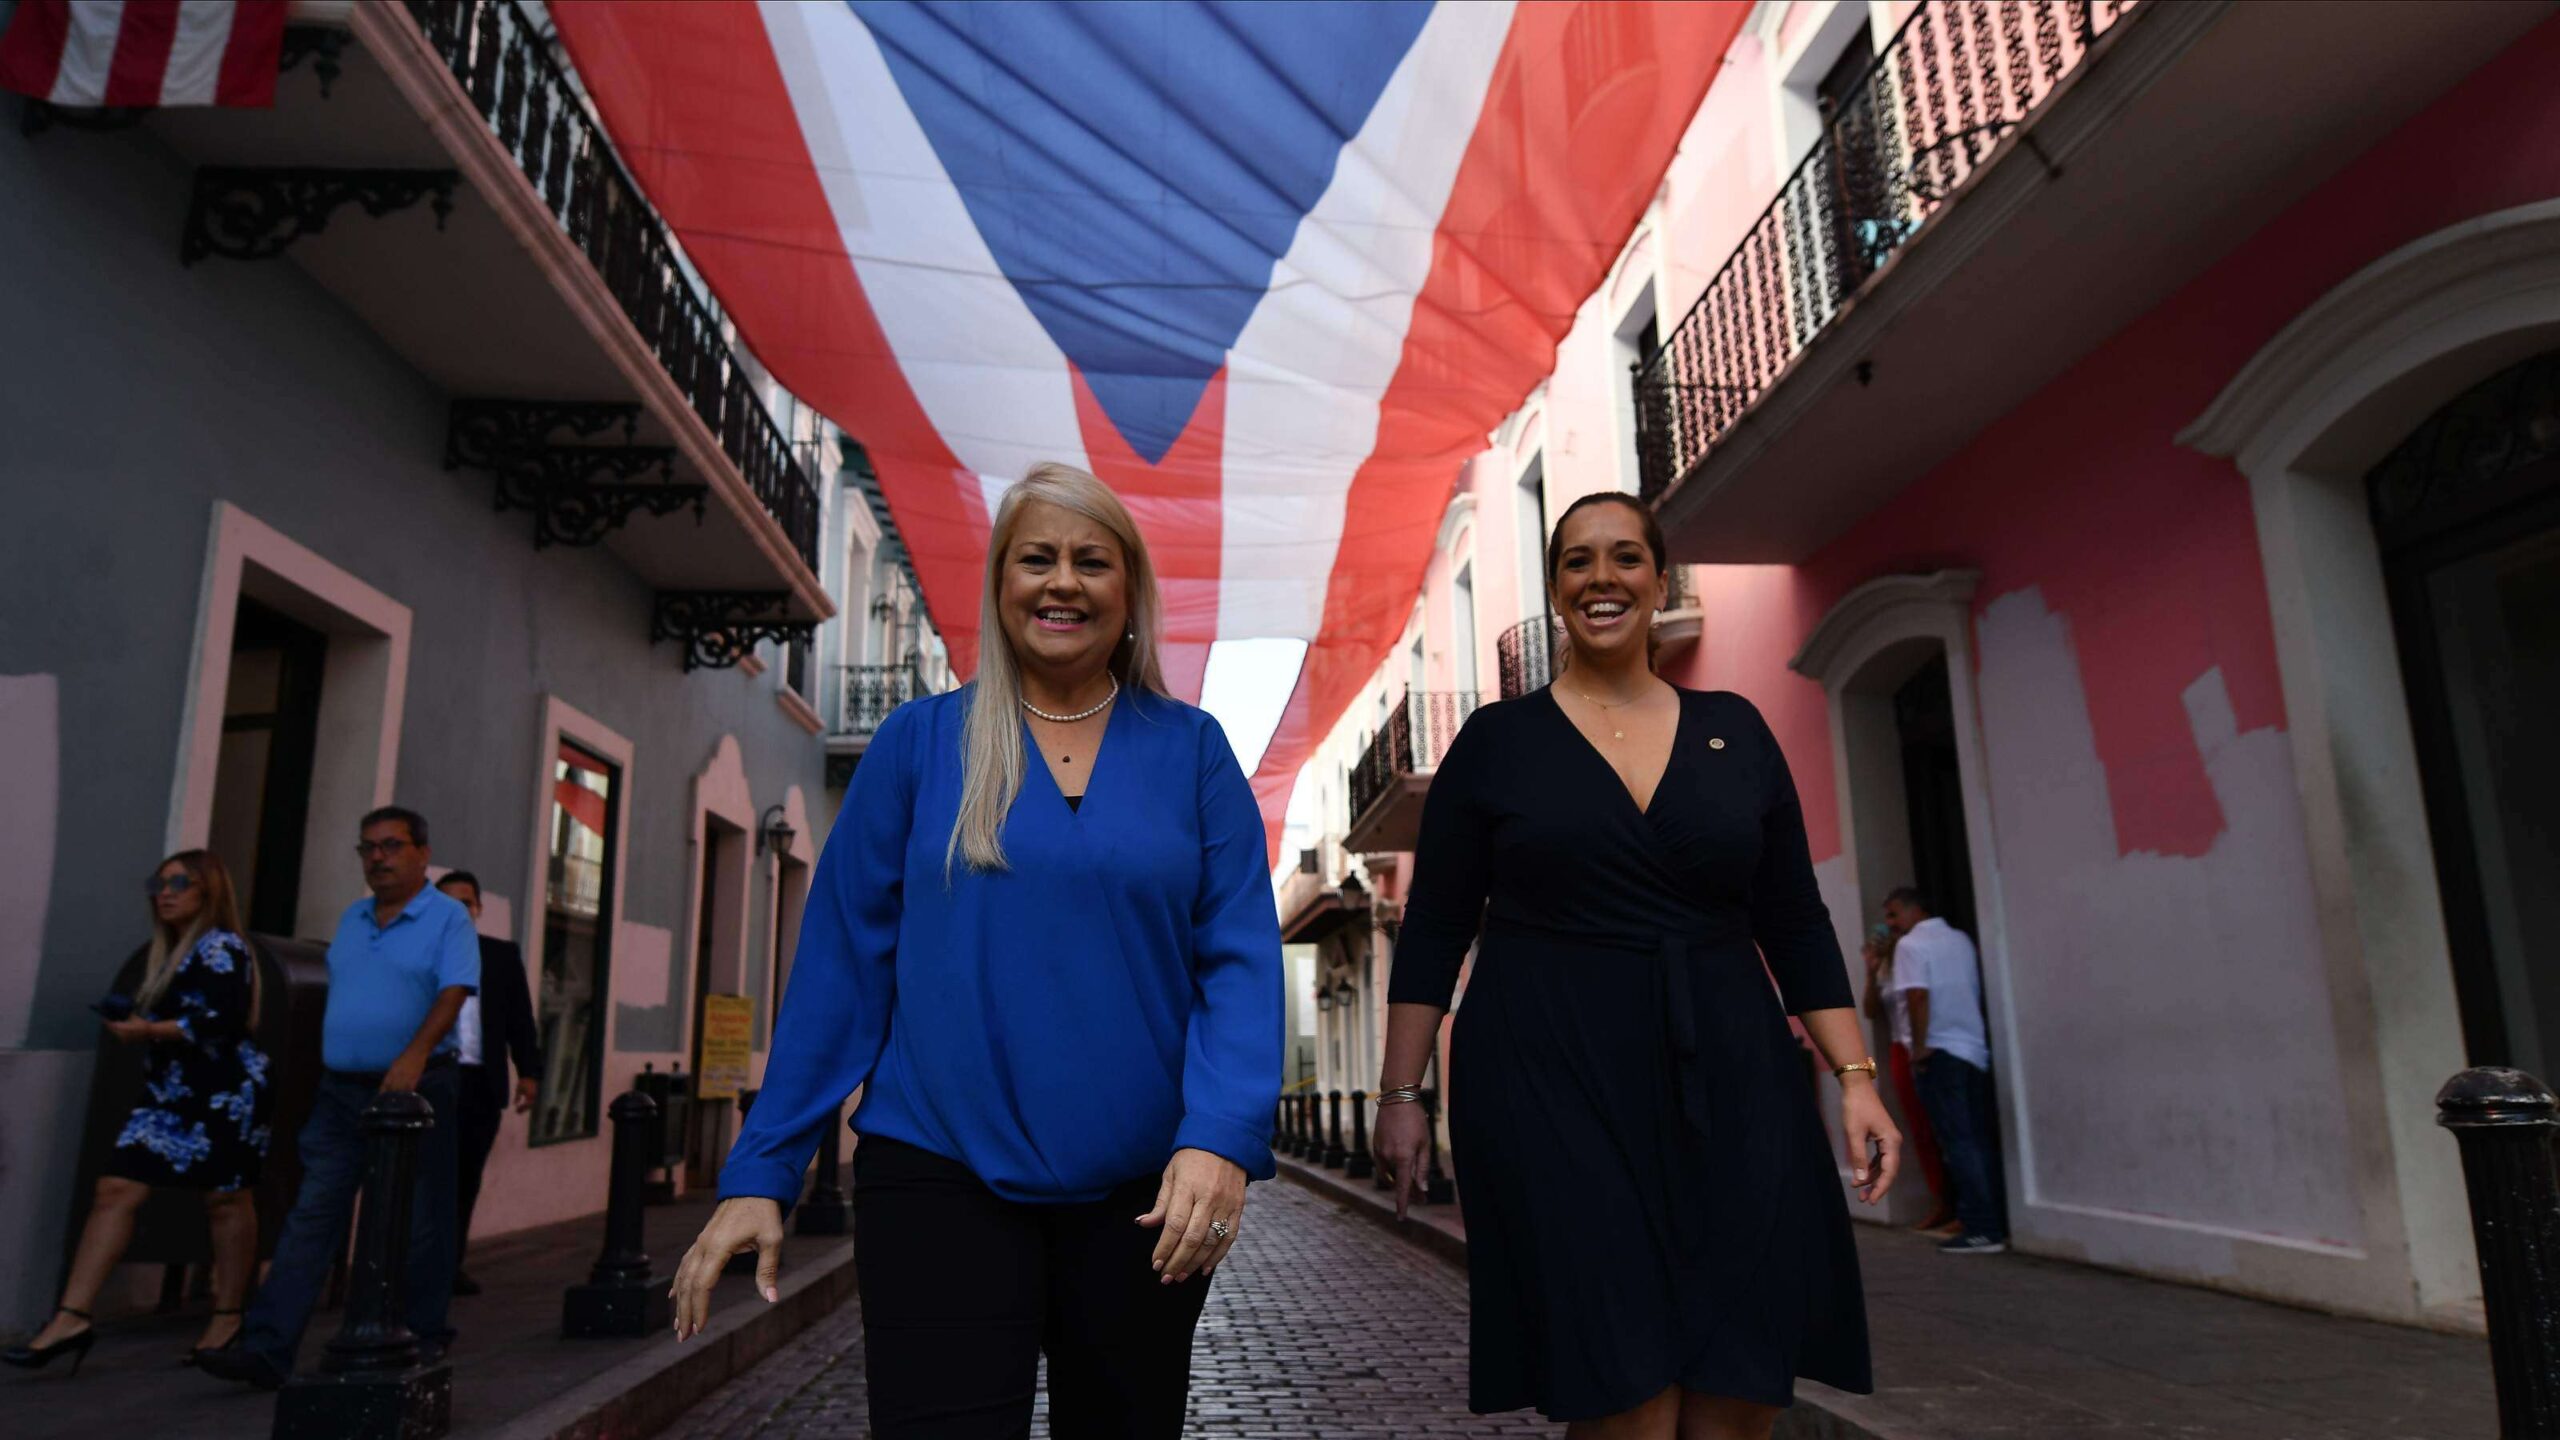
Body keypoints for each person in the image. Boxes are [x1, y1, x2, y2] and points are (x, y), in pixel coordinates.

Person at [668, 462, 1283, 1439]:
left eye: (1091, 560)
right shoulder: (919, 746)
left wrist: (1221, 1138)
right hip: (936, 1177)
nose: (1062, 582)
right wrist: (762, 1168)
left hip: (1144, 1198)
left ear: (1129, 591)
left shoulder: (1193, 753)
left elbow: (1240, 961)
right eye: (1036, 558)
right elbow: (841, 971)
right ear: (1001, 586)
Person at [1372, 492, 1897, 1440]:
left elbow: (1794, 918)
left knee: (1740, 1383)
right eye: (1577, 561)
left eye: (1624, 558)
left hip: (1734, 1069)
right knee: (1624, 1386)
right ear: (1555, 588)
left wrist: (1856, 1078)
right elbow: (1436, 928)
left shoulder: (1735, 727)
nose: (1601, 579)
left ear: (1660, 581)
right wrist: (1401, 1096)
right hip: (1550, 1073)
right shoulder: (1497, 745)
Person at [199, 806, 478, 1389]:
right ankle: (268, 1348)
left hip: (416, 1091)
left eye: (392, 846)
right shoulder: (353, 918)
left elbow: (454, 992)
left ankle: (424, 1337)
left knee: (420, 1218)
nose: (378, 858)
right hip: (340, 1092)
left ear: (422, 854)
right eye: (368, 848)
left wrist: (414, 1054)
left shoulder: (447, 917)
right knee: (313, 1212)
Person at [4, 851, 271, 1375]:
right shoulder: (170, 949)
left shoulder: (221, 945)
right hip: (171, 1095)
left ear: (208, 891)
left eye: (179, 883)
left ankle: (228, 1315)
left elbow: (219, 1021)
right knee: (117, 1187)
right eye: (159, 882)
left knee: (226, 1198)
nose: (164, 891)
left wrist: (147, 1030)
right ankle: (72, 1317)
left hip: (222, 1092)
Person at [432, 870, 543, 1297]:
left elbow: (520, 1018)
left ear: (477, 909)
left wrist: (529, 1072)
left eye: (465, 903)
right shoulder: (423, 955)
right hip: (431, 1078)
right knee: (428, 1176)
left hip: (480, 1081)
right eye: (447, 902)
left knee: (465, 1178)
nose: (457, 911)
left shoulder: (498, 956)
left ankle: (449, 1264)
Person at [1884, 886, 2007, 1254]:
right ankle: (1991, 1220)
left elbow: (1917, 996)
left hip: (1939, 1052)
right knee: (1977, 1138)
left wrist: (1919, 1048)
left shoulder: (1910, 946)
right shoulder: (1961, 940)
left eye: (1893, 914)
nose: (1890, 924)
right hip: (1972, 1049)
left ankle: (1981, 1226)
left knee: (1956, 1140)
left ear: (1914, 910)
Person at [1862, 921, 1954, 1234]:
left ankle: (1957, 1205)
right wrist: (1872, 972)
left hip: (1924, 1045)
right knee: (1920, 1129)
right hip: (1899, 1047)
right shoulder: (1887, 968)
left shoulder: (1915, 953)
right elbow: (1871, 1010)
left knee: (1943, 1127)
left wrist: (1920, 1046)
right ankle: (1942, 1201)